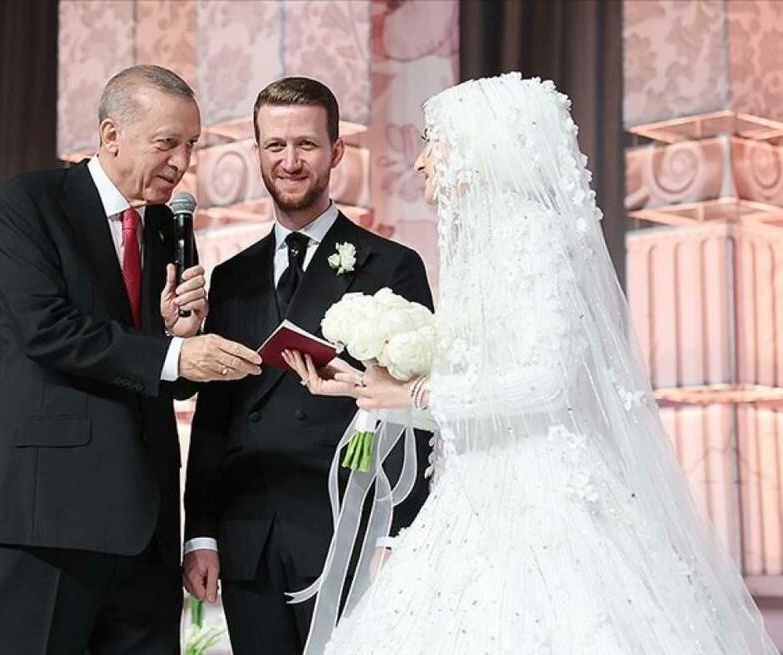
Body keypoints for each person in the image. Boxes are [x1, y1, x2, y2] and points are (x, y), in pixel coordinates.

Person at [288, 73, 779, 654]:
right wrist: (369, 389)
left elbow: (546, 385)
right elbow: (479, 405)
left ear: (480, 147)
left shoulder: (536, 239)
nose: (420, 162)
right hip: (472, 495)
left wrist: (418, 395)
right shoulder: (481, 246)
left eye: (433, 142)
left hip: (543, 503)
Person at [0, 65, 262, 654]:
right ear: (110, 136)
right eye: (166, 143)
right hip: (46, 515)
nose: (181, 163)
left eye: (191, 145)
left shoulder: (170, 229)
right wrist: (173, 351)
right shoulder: (32, 201)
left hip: (145, 524)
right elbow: (44, 328)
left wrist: (178, 332)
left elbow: (164, 376)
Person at [183, 77, 432, 655]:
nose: (290, 161)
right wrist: (201, 531)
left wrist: (403, 532)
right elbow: (214, 415)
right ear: (258, 152)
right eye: (275, 146)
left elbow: (419, 412)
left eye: (306, 145)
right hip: (249, 538)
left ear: (336, 151)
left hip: (349, 530)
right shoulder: (231, 277)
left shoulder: (392, 266)